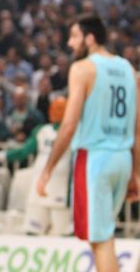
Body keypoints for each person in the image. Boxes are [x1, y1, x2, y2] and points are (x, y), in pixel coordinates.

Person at [37, 14, 140, 272]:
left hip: (95, 159)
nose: (70, 43)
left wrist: (48, 169)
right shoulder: (128, 69)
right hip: (122, 158)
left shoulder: (83, 68)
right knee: (104, 235)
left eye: (74, 36)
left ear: (90, 38)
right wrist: (135, 173)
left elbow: (69, 124)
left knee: (100, 240)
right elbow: (137, 129)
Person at [0, 97, 72, 235]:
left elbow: (22, 152)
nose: (57, 112)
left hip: (61, 189)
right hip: (40, 188)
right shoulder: (42, 131)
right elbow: (23, 152)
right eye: (55, 108)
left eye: (60, 109)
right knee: (33, 231)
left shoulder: (74, 132)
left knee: (63, 233)